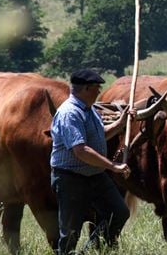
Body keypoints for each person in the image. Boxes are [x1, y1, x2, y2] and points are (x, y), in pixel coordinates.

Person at [50, 69, 132, 254]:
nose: (99, 91)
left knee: (119, 212)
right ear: (86, 88)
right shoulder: (69, 113)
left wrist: (120, 123)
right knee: (70, 231)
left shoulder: (90, 109)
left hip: (94, 175)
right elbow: (81, 150)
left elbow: (99, 135)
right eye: (97, 88)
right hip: (71, 179)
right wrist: (112, 166)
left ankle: (92, 250)